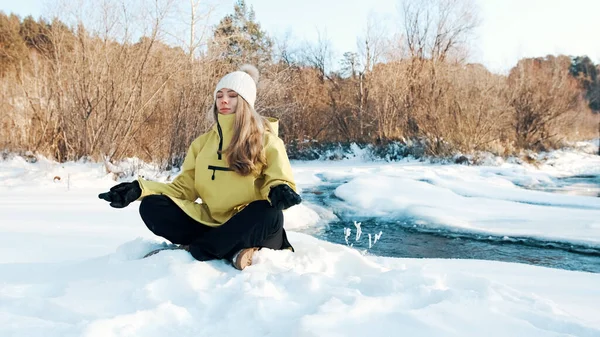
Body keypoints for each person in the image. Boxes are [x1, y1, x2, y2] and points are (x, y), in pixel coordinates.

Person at [98, 65, 302, 270]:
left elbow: (279, 178)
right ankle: (230, 250)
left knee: (269, 212)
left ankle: (196, 251)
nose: (223, 100)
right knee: (152, 206)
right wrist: (139, 189)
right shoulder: (202, 144)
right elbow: (183, 189)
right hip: (212, 223)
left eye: (232, 96)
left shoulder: (267, 141)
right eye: (219, 95)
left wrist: (279, 189)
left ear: (246, 102)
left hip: (252, 225)